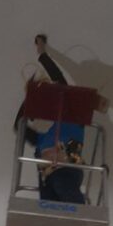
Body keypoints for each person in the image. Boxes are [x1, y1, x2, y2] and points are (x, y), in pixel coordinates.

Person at [14, 34, 87, 203]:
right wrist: (30, 98)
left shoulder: (73, 120)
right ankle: (66, 224)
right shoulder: (42, 139)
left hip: (66, 172)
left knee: (62, 185)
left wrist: (42, 54)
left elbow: (61, 84)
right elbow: (19, 126)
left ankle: (78, 215)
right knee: (48, 205)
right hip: (47, 178)